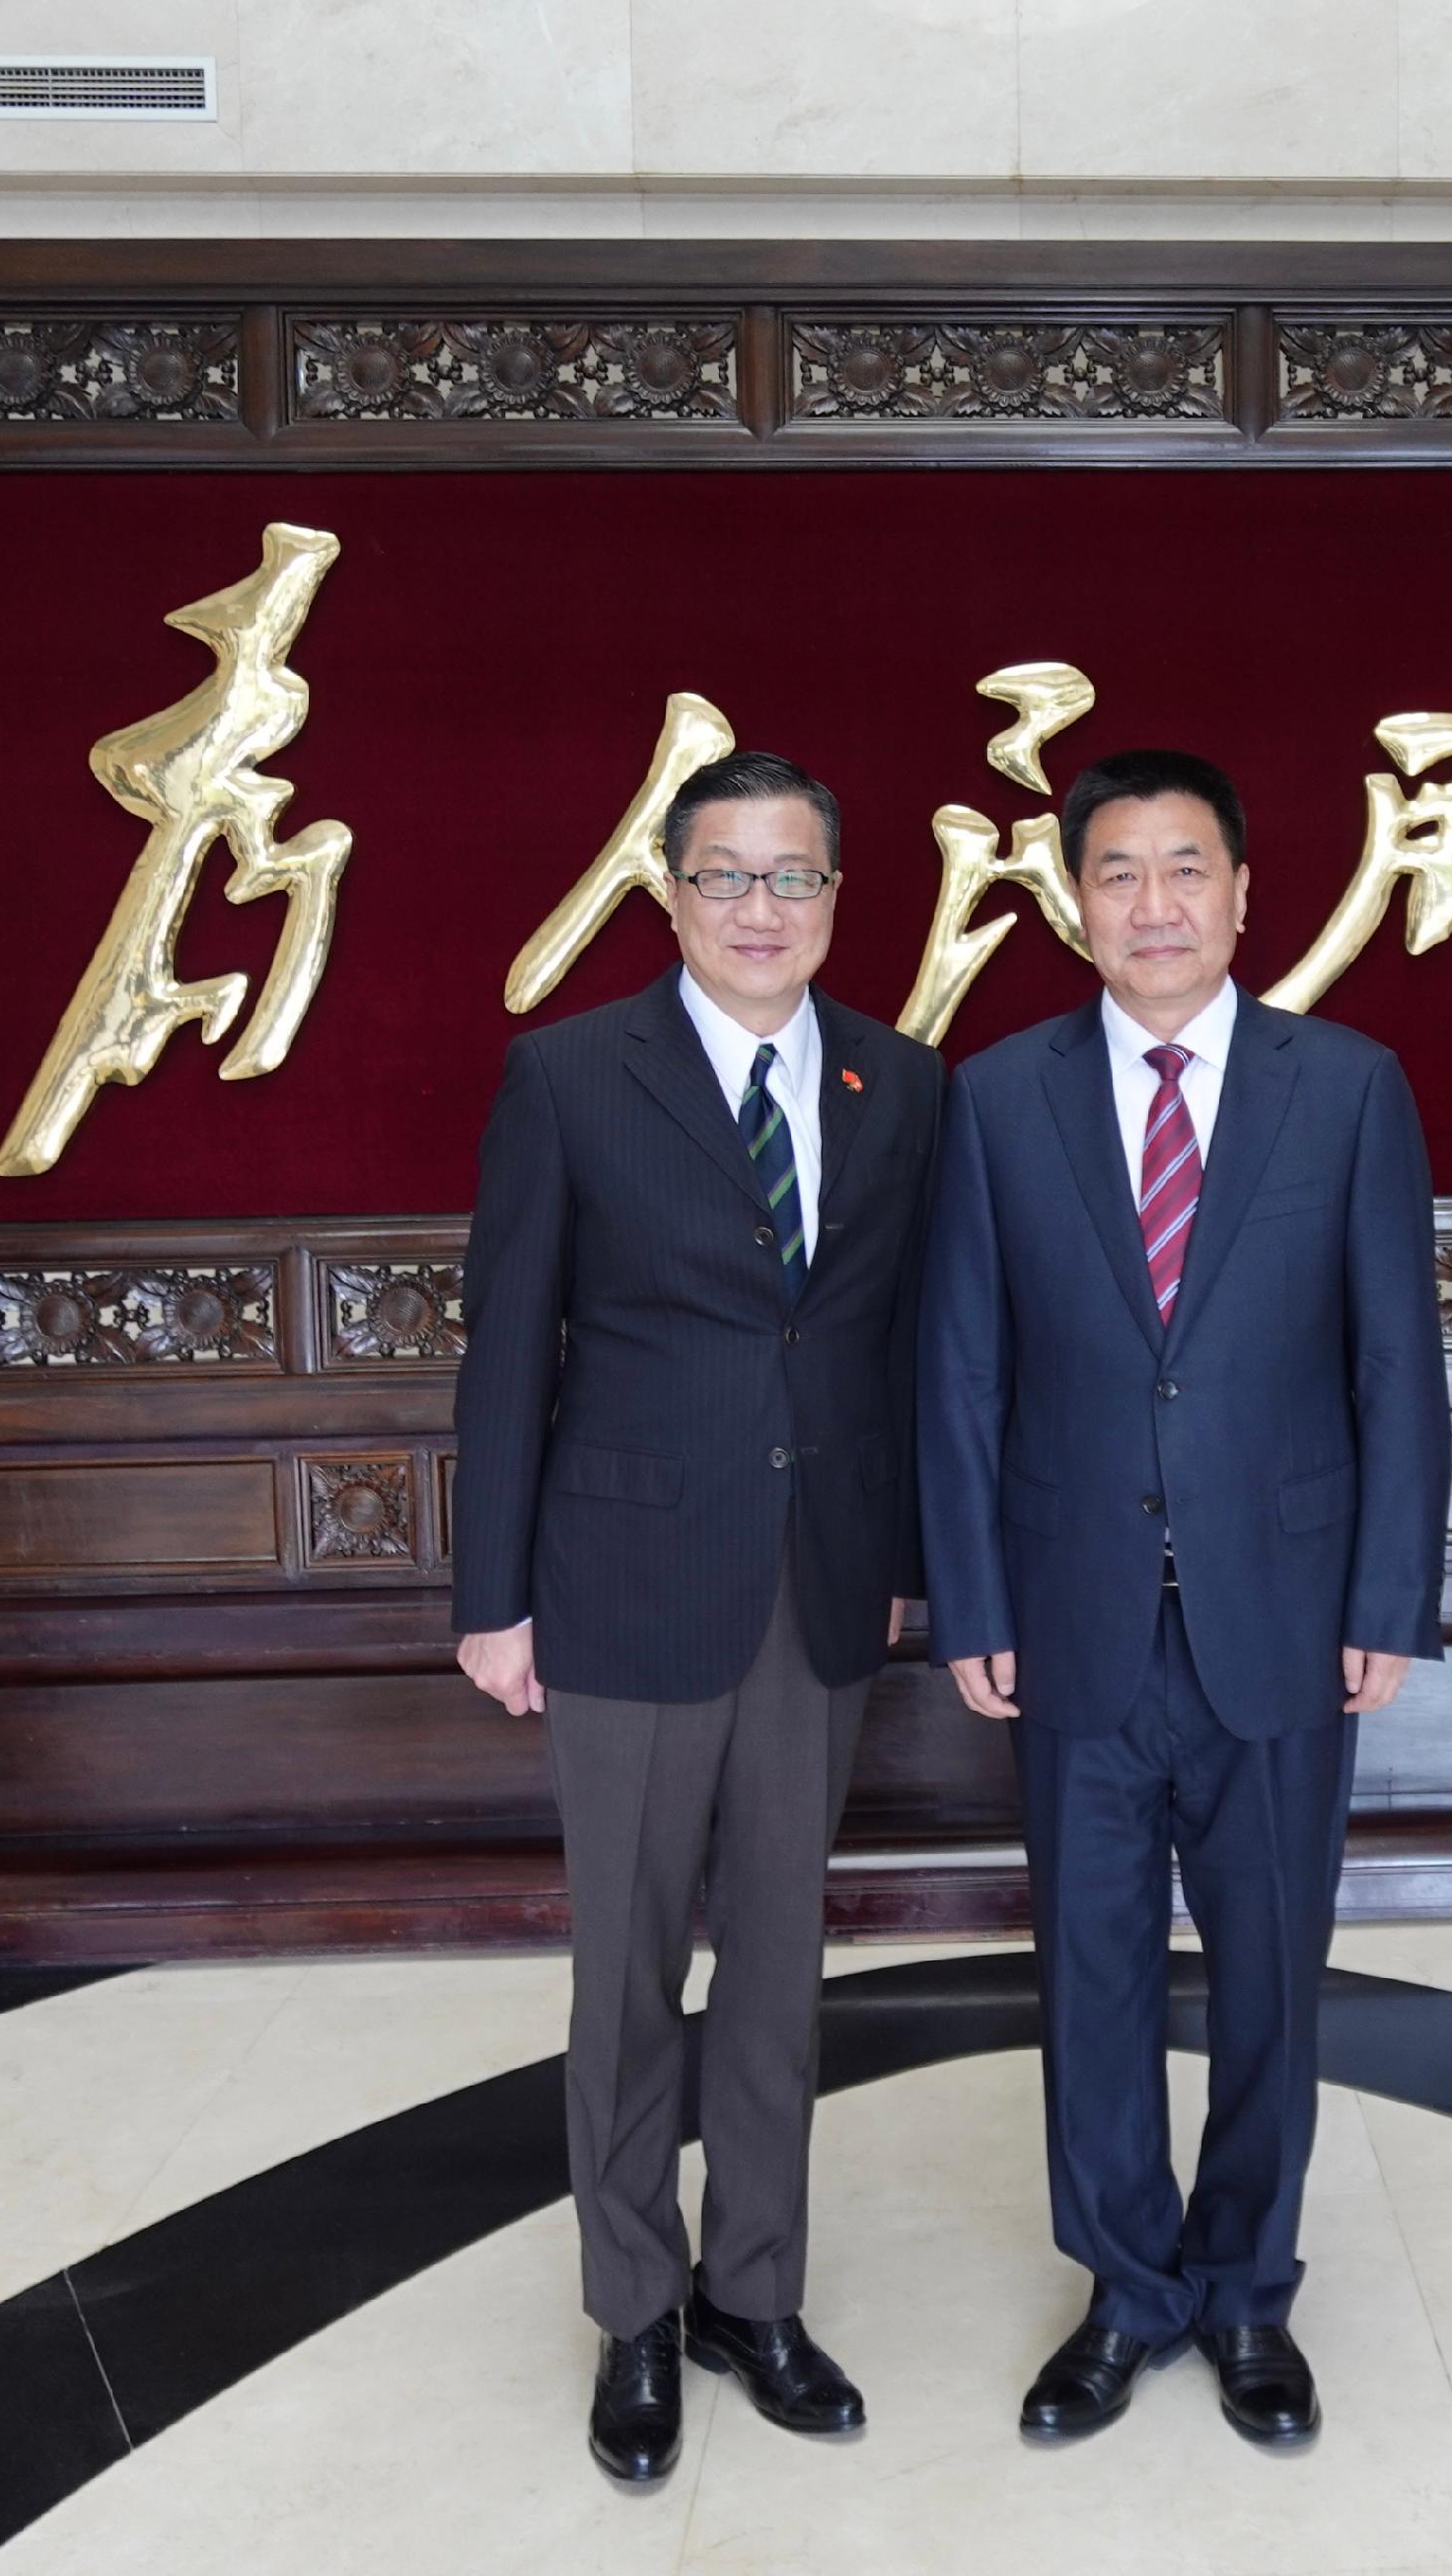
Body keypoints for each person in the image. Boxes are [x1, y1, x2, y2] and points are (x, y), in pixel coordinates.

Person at [916, 747, 1450, 2450]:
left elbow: (1397, 1368)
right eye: (1121, 874)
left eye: (1186, 869)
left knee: (1275, 1971)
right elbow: (962, 1374)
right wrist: (972, 1600)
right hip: (1072, 1613)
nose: (1155, 904)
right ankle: (1127, 2292)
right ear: (1077, 905)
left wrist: (1388, 1595)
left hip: (1284, 1617)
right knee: (1089, 1976)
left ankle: (1246, 2295)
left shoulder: (1347, 1085)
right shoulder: (996, 1097)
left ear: (1241, 892)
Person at [451, 750, 943, 2484]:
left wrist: (908, 1554)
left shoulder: (901, 1078)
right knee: (629, 1975)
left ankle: (758, 2294)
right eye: (724, 876)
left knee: (782, 1972)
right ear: (668, 895)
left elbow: (892, 1348)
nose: (758, 908)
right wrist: (491, 1593)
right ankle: (633, 2313)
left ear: (833, 898)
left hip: (819, 1590)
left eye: (791, 877)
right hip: (625, 1583)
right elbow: (509, 1342)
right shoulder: (575, 1075)